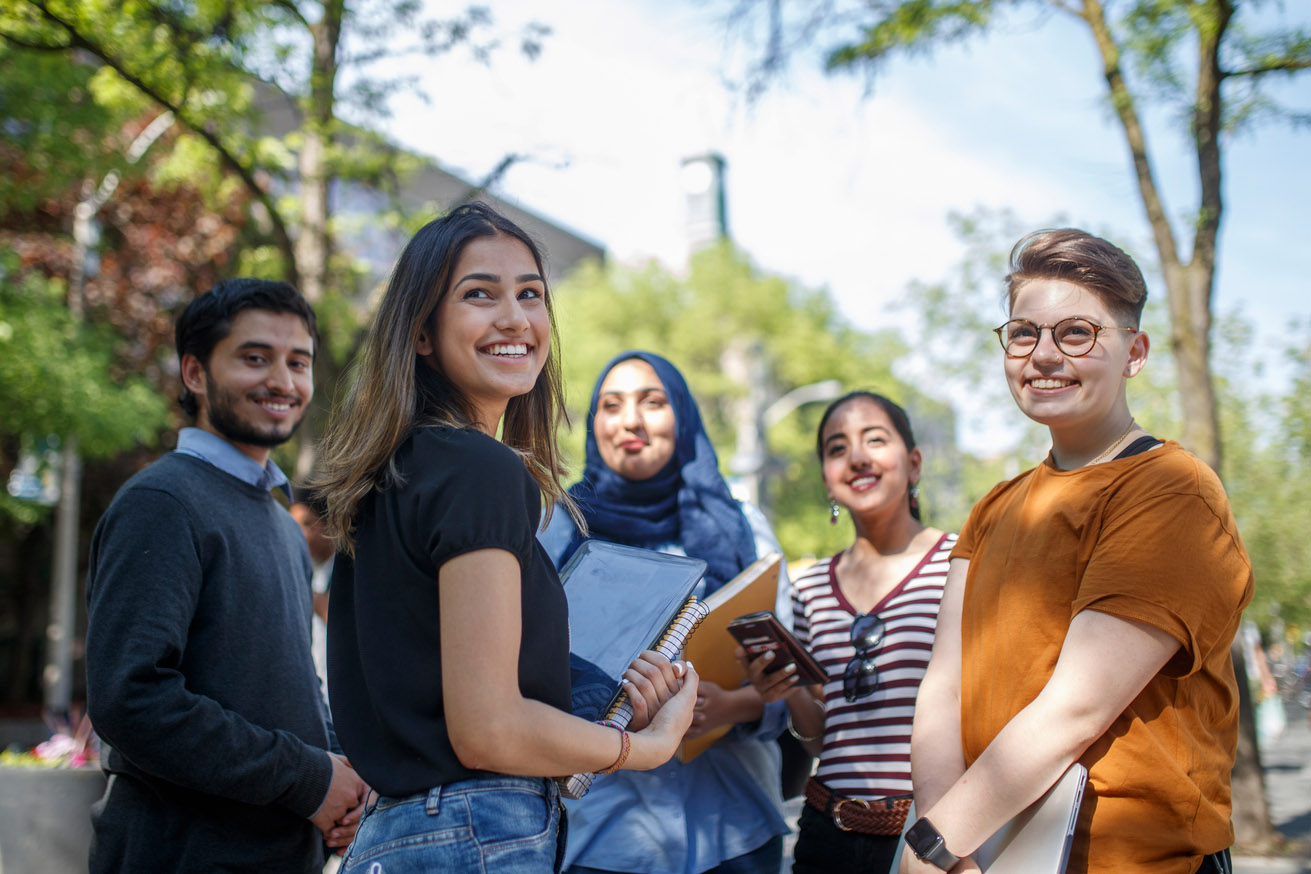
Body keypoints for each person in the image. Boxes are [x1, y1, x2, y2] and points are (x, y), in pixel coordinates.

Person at [311, 203, 699, 873]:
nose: (516, 318)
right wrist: (647, 746)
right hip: (472, 831)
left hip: (400, 836)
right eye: (478, 295)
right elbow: (488, 727)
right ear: (423, 332)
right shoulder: (476, 467)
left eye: (530, 295)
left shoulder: (395, 470)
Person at [900, 230, 1254, 874]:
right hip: (982, 852)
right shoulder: (994, 507)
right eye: (1023, 333)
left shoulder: (1171, 490)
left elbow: (1077, 707)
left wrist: (932, 846)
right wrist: (945, 850)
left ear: (1134, 352)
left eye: (1077, 333)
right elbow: (942, 688)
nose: (1043, 355)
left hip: (1132, 860)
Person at [84, 278, 368, 874]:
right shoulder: (162, 502)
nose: (283, 382)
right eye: (254, 357)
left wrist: (340, 774)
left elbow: (294, 691)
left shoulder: (283, 526)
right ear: (194, 373)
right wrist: (307, 776)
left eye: (298, 362)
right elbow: (131, 698)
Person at [538, 350, 792, 874]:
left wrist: (730, 706)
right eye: (612, 405)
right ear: (594, 424)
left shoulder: (741, 524)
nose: (630, 420)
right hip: (604, 836)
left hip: (734, 827)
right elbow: (526, 682)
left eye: (652, 402)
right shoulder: (559, 528)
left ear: (682, 413)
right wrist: (620, 706)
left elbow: (789, 678)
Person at [740, 391, 954, 874]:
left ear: (914, 463)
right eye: (837, 448)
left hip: (928, 838)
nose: (856, 457)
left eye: (875, 440)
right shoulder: (809, 587)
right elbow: (819, 739)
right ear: (827, 482)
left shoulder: (960, 563)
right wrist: (789, 688)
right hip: (825, 837)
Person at [290, 500, 335, 701]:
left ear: (328, 525)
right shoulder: (311, 573)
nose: (301, 535)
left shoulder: (351, 573)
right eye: (295, 526)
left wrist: (319, 605)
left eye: (307, 524)